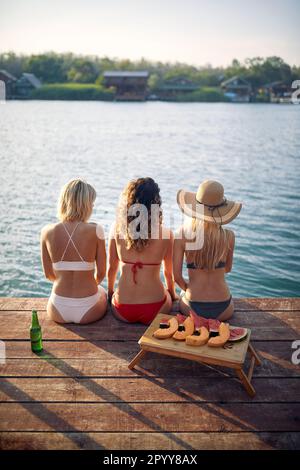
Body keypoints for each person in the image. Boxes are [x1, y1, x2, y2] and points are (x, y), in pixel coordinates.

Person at [108, 177, 176, 325]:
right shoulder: (166, 234)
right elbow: (168, 273)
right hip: (156, 308)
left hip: (122, 308)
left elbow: (112, 268)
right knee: (167, 296)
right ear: (156, 204)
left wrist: (110, 293)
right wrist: (172, 293)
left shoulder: (116, 229)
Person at [41, 178, 107, 324]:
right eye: (92, 202)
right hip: (89, 308)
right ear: (86, 204)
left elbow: (49, 275)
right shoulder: (96, 230)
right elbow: (102, 273)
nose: (92, 206)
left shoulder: (46, 231)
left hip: (57, 307)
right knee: (102, 291)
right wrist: (87, 283)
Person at [173, 180, 242, 321]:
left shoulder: (182, 235)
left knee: (182, 294)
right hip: (224, 308)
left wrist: (189, 289)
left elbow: (177, 278)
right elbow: (227, 269)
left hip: (192, 307)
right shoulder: (229, 236)